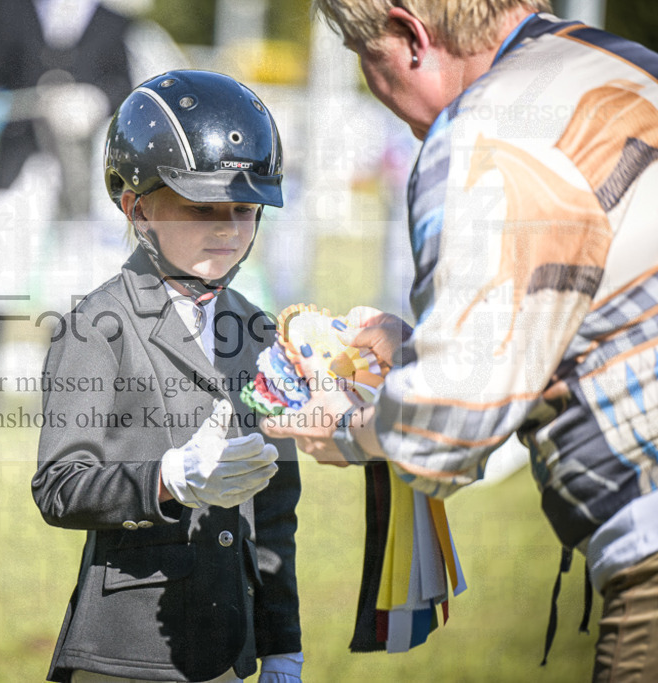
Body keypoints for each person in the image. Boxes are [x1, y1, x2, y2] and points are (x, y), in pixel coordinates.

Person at [264, 1, 658, 680]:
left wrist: (349, 430)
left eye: (372, 63)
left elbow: (446, 428)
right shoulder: (627, 68)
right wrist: (420, 344)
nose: (382, 98)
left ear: (411, 36)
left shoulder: (481, 130)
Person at [32, 70, 304, 682]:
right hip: (125, 651)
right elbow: (59, 485)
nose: (229, 229)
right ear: (137, 205)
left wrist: (282, 641)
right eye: (202, 207)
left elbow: (275, 509)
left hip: (229, 652)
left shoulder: (260, 333)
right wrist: (168, 479)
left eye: (244, 209)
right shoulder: (95, 324)